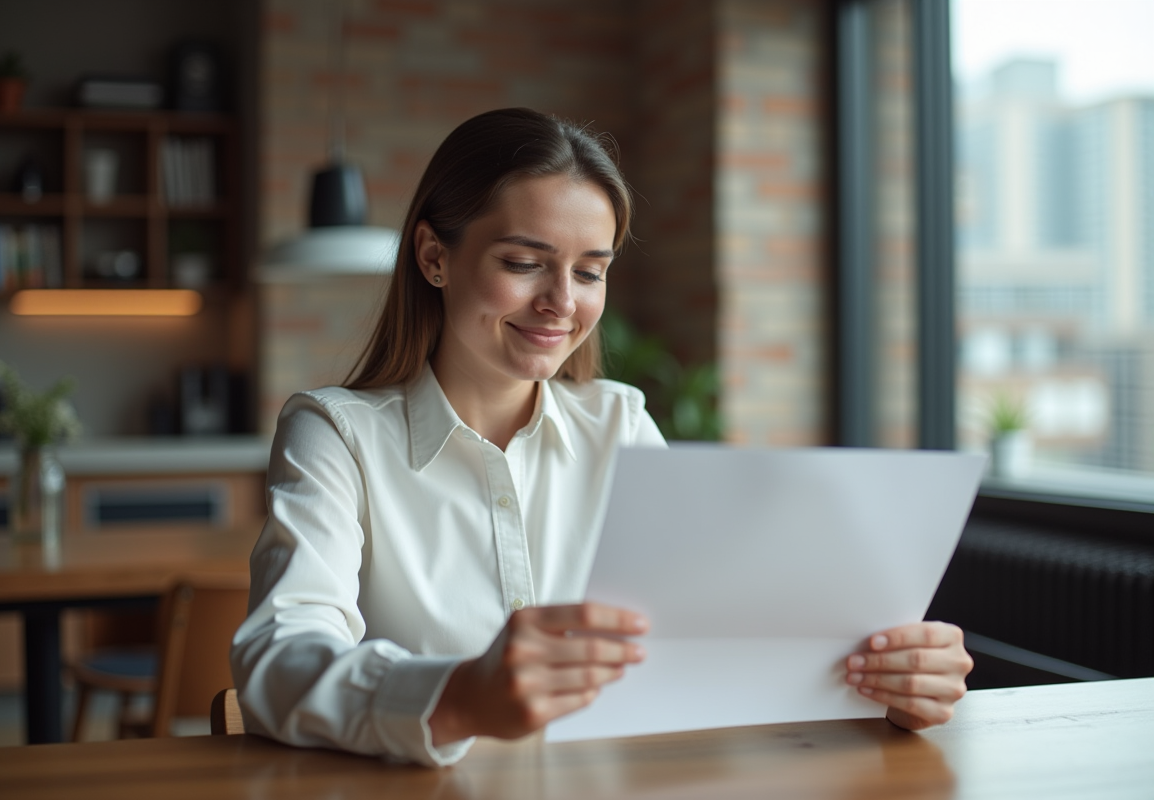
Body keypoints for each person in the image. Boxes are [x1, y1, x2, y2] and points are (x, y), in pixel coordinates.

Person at [231, 107, 974, 767]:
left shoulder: (620, 423)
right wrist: (457, 696)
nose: (561, 303)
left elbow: (710, 642)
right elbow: (278, 662)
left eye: (590, 272)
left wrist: (882, 680)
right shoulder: (335, 433)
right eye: (524, 263)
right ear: (434, 257)